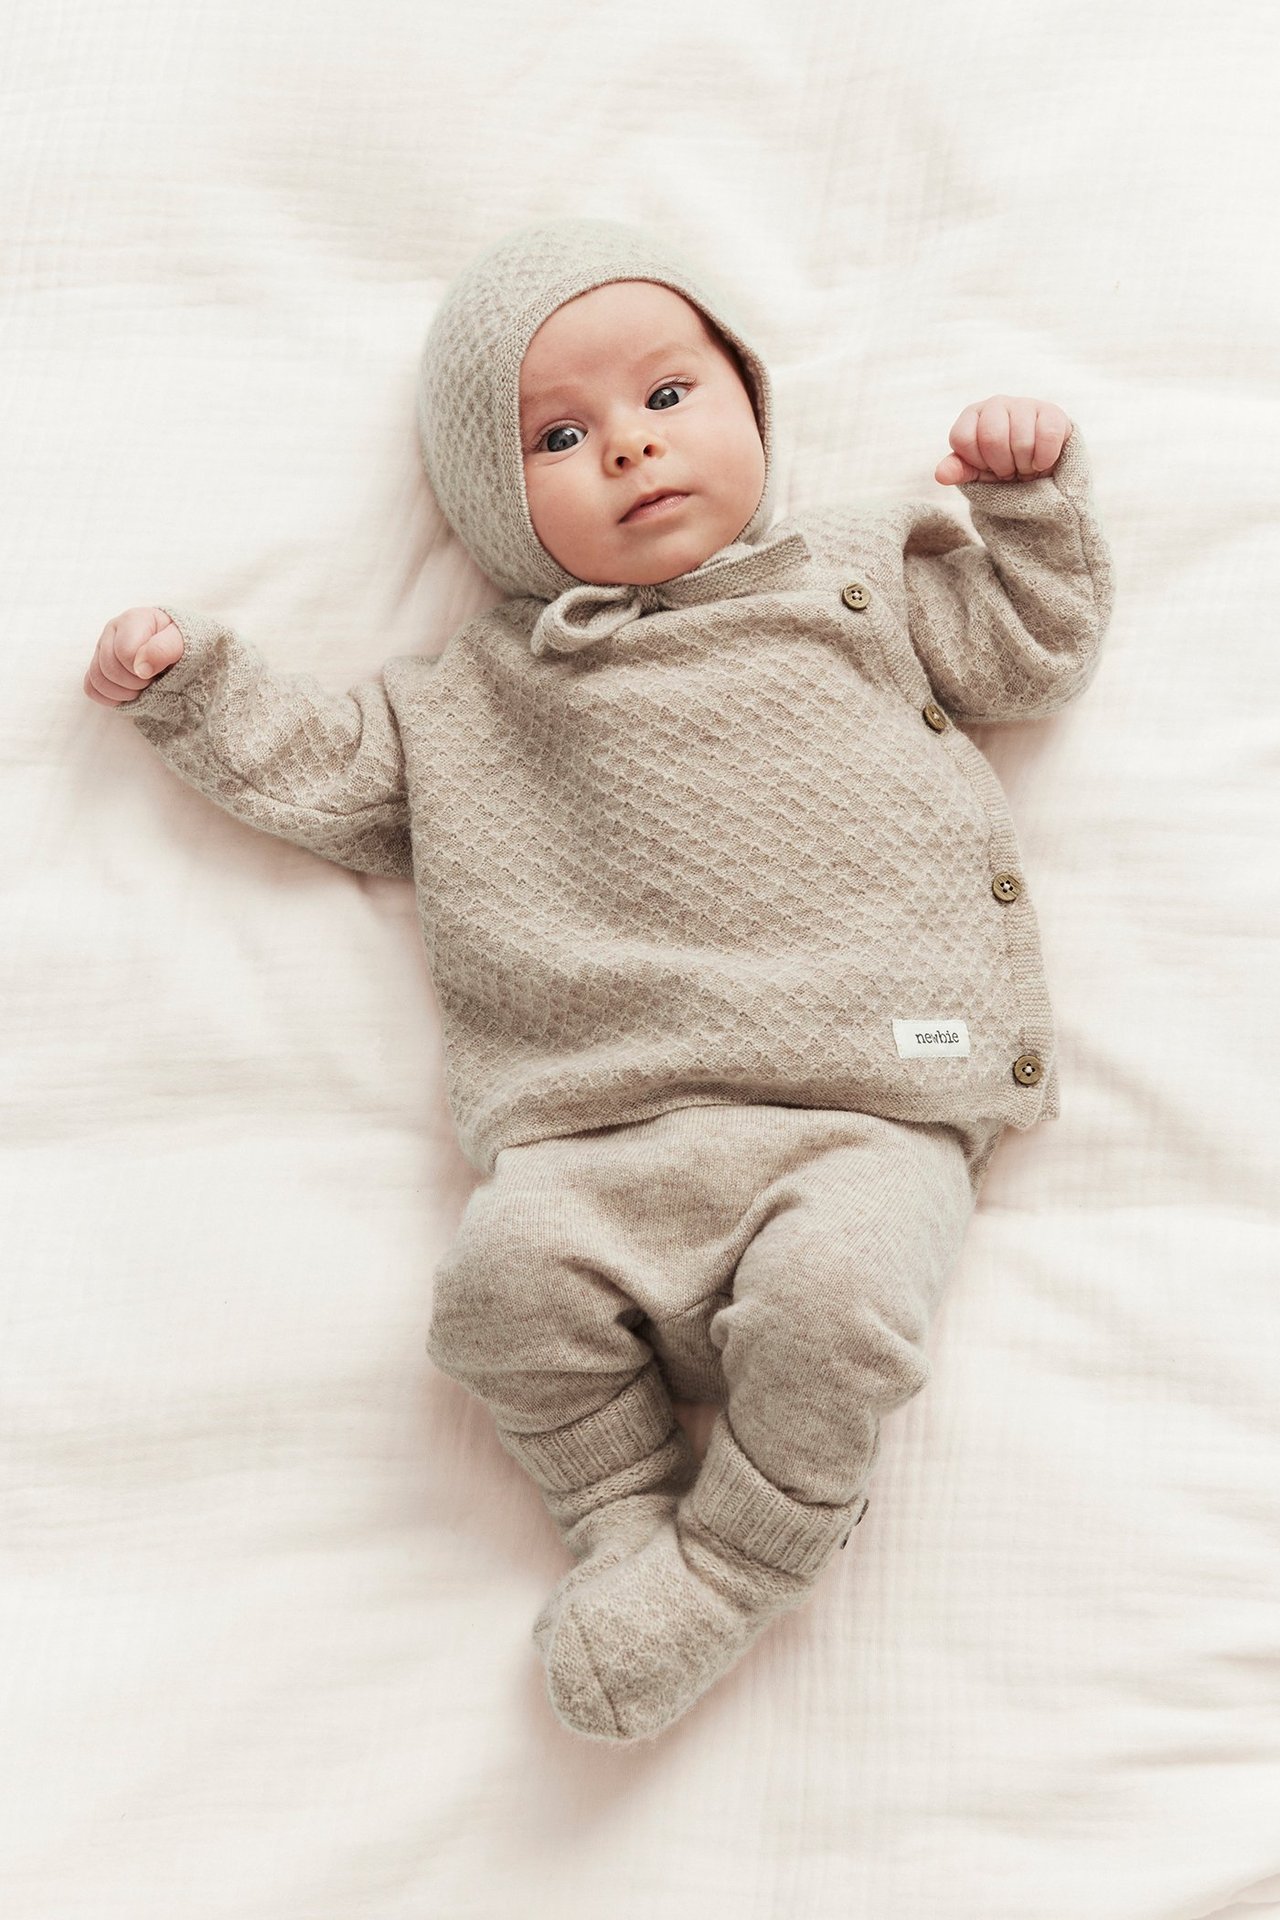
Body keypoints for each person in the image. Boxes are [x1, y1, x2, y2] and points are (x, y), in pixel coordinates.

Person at [83, 216, 1115, 1745]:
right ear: (495, 506)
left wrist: (1029, 505)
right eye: (560, 435)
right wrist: (192, 691)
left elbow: (1030, 653)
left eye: (669, 396)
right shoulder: (478, 696)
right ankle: (628, 1525)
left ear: (751, 401)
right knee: (496, 1298)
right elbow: (322, 769)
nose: (630, 450)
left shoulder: (856, 577)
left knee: (838, 1309)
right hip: (597, 1143)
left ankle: (739, 1562)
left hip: (863, 1105)